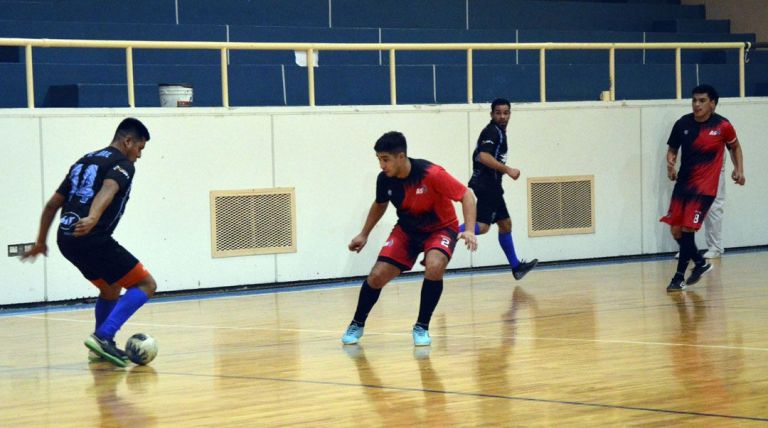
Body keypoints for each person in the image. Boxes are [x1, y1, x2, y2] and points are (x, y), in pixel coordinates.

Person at [22, 118, 157, 367]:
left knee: (110, 287)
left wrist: (41, 241)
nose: (139, 156)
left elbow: (53, 205)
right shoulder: (123, 164)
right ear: (128, 141)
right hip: (92, 237)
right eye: (140, 148)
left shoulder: (83, 161)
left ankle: (99, 349)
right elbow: (109, 188)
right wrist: (94, 217)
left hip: (66, 240)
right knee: (146, 284)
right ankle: (103, 336)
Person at [342, 131, 478, 346]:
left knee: (435, 265)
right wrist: (364, 234)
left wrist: (469, 229)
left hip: (440, 229)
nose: (381, 165)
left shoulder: (431, 173)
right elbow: (380, 204)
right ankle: (357, 323)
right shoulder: (385, 180)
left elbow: (466, 195)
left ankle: (422, 326)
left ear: (401, 157)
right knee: (377, 276)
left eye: (385, 159)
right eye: (378, 159)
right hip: (407, 230)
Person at [661, 84, 745, 292]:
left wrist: (739, 169)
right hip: (683, 185)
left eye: (702, 101)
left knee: (689, 229)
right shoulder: (682, 124)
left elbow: (735, 146)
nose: (696, 105)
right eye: (694, 100)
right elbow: (672, 149)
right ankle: (699, 263)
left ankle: (679, 277)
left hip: (704, 188)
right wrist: (670, 164)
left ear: (713, 104)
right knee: (676, 230)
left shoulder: (723, 126)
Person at [461, 98, 537, 280]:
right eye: (498, 113)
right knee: (483, 226)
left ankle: (516, 267)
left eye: (506, 112)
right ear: (491, 114)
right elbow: (483, 156)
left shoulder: (500, 132)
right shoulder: (492, 131)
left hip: (492, 185)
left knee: (505, 224)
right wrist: (508, 170)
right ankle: (445, 231)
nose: (502, 116)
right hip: (487, 185)